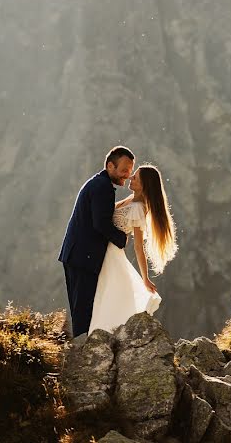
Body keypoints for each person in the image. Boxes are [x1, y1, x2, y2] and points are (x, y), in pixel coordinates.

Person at [87, 163, 176, 335]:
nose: (130, 178)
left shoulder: (138, 208)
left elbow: (138, 246)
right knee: (104, 296)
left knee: (106, 296)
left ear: (144, 186)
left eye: (135, 177)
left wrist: (145, 278)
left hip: (111, 254)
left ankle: (105, 337)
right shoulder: (131, 199)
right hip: (105, 251)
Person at [57, 146, 135, 341]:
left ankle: (80, 350)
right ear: (110, 166)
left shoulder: (98, 183)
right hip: (84, 257)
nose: (128, 174)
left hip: (77, 254)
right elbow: (100, 223)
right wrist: (121, 239)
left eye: (131, 169)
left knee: (82, 308)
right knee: (84, 310)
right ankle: (81, 356)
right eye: (125, 169)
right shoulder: (103, 188)